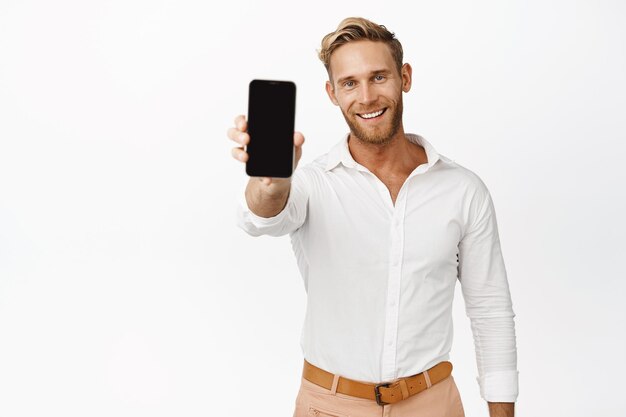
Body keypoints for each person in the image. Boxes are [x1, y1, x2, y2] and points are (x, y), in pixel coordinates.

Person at [228, 17, 518, 417]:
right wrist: (272, 180)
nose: (366, 96)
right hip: (329, 405)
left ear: (405, 77)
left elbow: (490, 309)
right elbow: (262, 216)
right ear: (332, 93)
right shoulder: (312, 184)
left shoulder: (463, 190)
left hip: (433, 405)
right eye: (349, 83)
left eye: (379, 77)